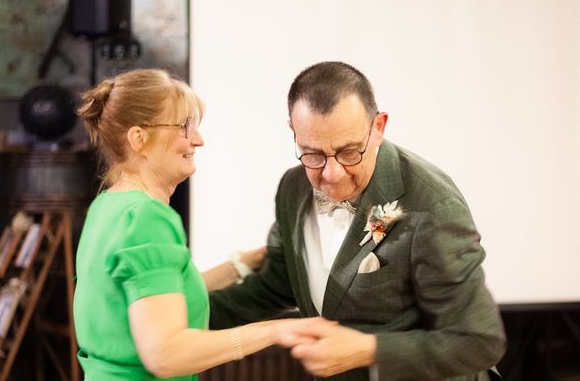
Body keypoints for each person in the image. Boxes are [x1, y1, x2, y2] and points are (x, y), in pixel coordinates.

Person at [209, 61, 507, 380]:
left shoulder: (431, 204)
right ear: (293, 132)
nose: (332, 174)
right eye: (313, 154)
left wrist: (367, 350)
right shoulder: (292, 189)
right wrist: (177, 317)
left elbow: (478, 341)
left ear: (378, 127)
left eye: (350, 152)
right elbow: (276, 284)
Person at [73, 68, 331, 381]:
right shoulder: (146, 218)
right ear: (138, 138)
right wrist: (276, 331)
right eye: (184, 127)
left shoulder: (108, 207)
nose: (198, 139)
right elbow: (166, 355)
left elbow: (153, 294)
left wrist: (239, 266)